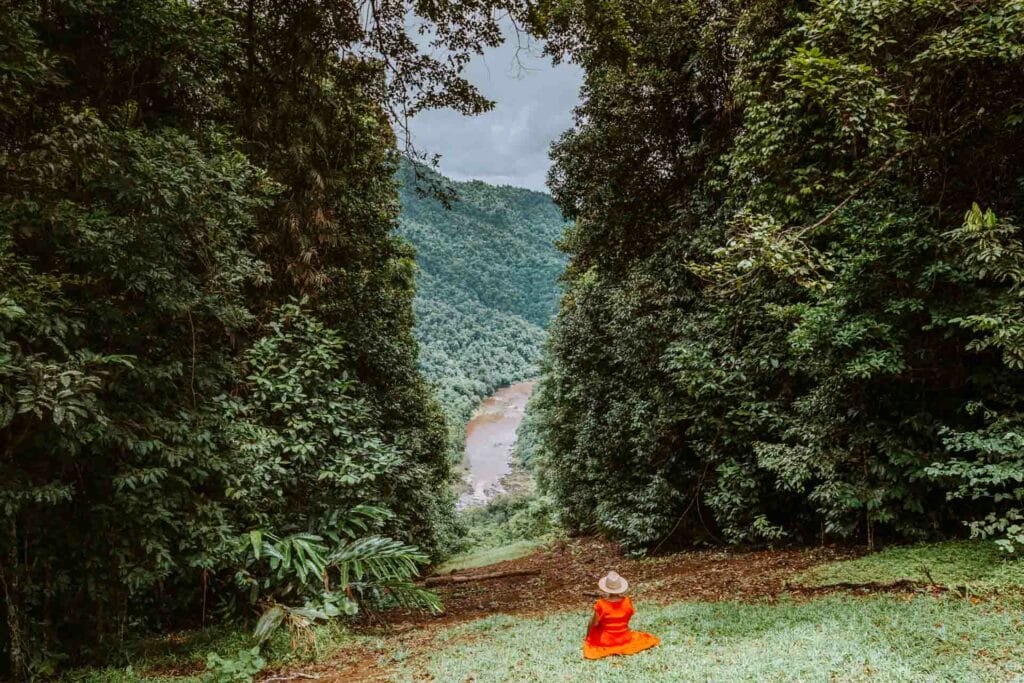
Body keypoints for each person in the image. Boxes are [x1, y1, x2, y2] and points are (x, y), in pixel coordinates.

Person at [583, 571, 660, 660]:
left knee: (592, 621)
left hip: (607, 641)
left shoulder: (601, 604)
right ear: (620, 587)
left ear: (606, 588)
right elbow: (628, 616)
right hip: (624, 638)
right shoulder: (627, 601)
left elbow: (595, 624)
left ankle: (588, 638)